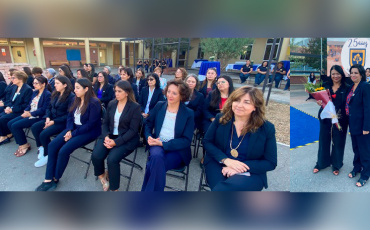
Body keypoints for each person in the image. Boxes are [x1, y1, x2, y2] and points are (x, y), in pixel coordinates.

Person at [203, 86, 277, 191]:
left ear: (255, 106)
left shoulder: (266, 128)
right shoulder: (221, 118)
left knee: (222, 190)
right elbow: (207, 142)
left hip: (250, 171)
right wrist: (226, 160)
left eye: (246, 102)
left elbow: (270, 162)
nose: (239, 105)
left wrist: (239, 168)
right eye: (237, 100)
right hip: (218, 164)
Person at [35, 78, 102, 191]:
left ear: (86, 89)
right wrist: (70, 130)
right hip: (73, 128)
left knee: (64, 150)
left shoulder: (94, 102)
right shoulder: (75, 99)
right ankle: (48, 179)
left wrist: (72, 133)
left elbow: (90, 124)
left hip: (88, 132)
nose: (74, 90)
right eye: (75, 87)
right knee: (52, 146)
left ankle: (55, 178)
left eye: (77, 88)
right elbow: (70, 117)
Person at [141, 80, 194, 191]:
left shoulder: (188, 113)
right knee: (156, 158)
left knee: (154, 163)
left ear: (182, 96)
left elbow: (186, 140)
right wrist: (148, 136)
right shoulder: (160, 105)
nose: (170, 95)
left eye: (174, 93)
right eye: (168, 91)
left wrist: (163, 144)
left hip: (177, 150)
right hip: (157, 143)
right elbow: (148, 123)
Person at [91, 80, 142, 191]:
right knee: (96, 156)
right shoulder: (112, 103)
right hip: (110, 136)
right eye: (115, 91)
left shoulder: (135, 107)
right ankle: (103, 177)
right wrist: (106, 137)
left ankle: (114, 189)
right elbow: (105, 123)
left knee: (112, 160)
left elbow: (133, 131)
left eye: (119, 91)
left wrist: (116, 142)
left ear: (127, 92)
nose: (116, 94)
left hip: (126, 139)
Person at [313, 65, 350, 176]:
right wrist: (318, 101)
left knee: (338, 141)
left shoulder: (347, 87)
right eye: (333, 74)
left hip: (341, 118)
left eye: (338, 74)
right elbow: (319, 98)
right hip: (325, 117)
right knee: (324, 140)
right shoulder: (325, 85)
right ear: (330, 74)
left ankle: (336, 164)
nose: (335, 76)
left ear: (341, 74)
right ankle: (321, 163)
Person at [31, 76, 75, 167]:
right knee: (35, 127)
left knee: (43, 134)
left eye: (57, 83)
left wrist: (53, 121)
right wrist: (47, 117)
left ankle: (48, 155)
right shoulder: (55, 93)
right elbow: (49, 107)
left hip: (62, 122)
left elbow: (69, 115)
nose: (55, 85)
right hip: (51, 119)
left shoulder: (71, 97)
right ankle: (42, 147)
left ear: (65, 85)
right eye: (55, 83)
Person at [8, 76, 51, 157]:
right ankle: (22, 143)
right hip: (30, 114)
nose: (34, 85)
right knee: (10, 123)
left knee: (15, 125)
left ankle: (24, 145)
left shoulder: (47, 94)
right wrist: (26, 110)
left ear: (43, 84)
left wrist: (31, 114)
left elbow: (44, 109)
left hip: (38, 116)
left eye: (36, 83)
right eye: (33, 83)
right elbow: (29, 104)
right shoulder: (35, 92)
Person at [346, 64, 370, 187]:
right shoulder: (351, 87)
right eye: (352, 72)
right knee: (356, 149)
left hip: (363, 127)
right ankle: (357, 168)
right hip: (353, 124)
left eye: (356, 73)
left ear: (361, 74)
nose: (353, 75)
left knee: (364, 151)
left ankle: (365, 175)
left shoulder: (365, 87)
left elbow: (368, 108)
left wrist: (367, 127)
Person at [0, 71, 32, 145]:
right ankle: (5, 134)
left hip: (20, 111)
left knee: (2, 118)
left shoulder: (27, 89)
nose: (12, 79)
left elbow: (26, 105)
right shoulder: (15, 87)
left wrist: (12, 109)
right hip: (13, 109)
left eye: (13, 78)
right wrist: (8, 107)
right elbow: (11, 100)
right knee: (1, 115)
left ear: (20, 79)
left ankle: (4, 135)